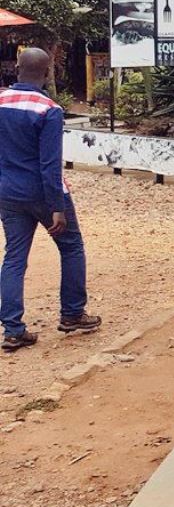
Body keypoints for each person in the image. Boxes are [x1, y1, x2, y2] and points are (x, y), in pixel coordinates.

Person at [1, 47, 101, 352]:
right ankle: (72, 314)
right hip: (43, 193)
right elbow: (49, 163)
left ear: (17, 68)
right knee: (71, 247)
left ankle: (13, 329)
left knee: (14, 257)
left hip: (7, 191)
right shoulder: (49, 109)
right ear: (46, 74)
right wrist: (57, 206)